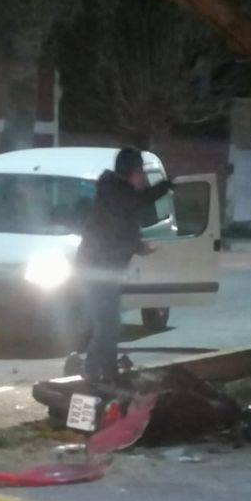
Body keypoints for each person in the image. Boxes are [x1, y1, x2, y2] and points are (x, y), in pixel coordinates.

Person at [75, 148, 172, 382]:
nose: (142, 178)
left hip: (105, 268)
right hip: (97, 269)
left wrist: (138, 246)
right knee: (108, 325)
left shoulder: (115, 191)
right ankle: (92, 371)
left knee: (110, 325)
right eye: (140, 172)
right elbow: (133, 206)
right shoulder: (116, 192)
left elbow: (122, 226)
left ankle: (107, 372)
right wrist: (166, 187)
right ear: (132, 172)